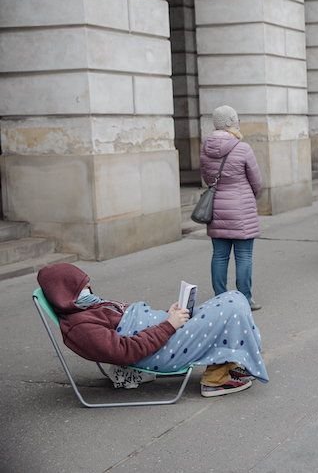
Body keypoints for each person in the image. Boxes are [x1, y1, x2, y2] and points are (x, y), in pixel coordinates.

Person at [37, 263, 268, 397]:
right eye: (81, 284)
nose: (88, 286)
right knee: (234, 305)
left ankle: (223, 364)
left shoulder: (83, 308)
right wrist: (169, 324)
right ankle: (215, 379)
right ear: (65, 291)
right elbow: (126, 351)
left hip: (163, 333)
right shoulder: (80, 327)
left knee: (230, 299)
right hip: (162, 349)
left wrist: (167, 317)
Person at [200, 105, 263, 312]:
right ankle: (245, 298)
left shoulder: (205, 147)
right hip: (241, 207)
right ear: (229, 122)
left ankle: (220, 298)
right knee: (244, 256)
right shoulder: (242, 148)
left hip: (216, 206)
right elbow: (256, 181)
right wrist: (250, 194)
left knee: (219, 255)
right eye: (235, 118)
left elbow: (207, 177)